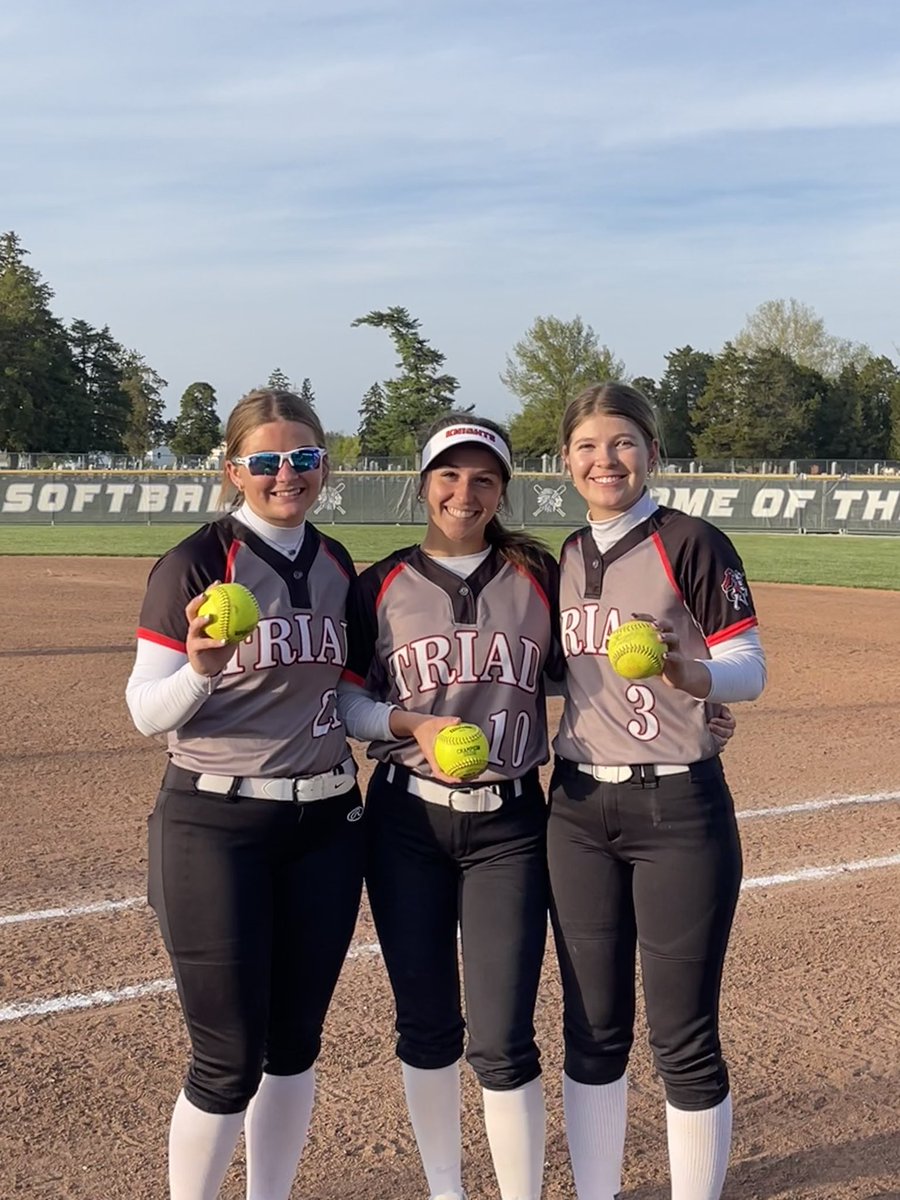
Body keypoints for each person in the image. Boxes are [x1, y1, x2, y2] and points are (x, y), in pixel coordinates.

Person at [125, 389, 365, 1200]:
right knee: (227, 1057)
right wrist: (199, 669)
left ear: (323, 465)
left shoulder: (337, 565)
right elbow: (144, 712)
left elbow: (356, 695)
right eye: (265, 463)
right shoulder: (197, 562)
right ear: (234, 472)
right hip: (214, 823)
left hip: (327, 823)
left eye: (301, 459)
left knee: (296, 1042)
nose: (285, 476)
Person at [547, 382, 767, 1200]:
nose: (607, 460)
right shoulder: (563, 557)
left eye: (625, 442)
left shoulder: (693, 542)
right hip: (574, 812)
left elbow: (750, 667)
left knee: (683, 1036)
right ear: (566, 461)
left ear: (652, 453)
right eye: (589, 447)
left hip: (677, 810)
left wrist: (690, 674)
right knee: (593, 1031)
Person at [339, 414, 563, 1200]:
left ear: (502, 490)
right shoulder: (379, 585)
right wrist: (410, 723)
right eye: (448, 474)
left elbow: (592, 675)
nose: (463, 492)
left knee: (504, 1037)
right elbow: (348, 705)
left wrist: (688, 707)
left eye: (483, 478)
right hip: (405, 824)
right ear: (423, 481)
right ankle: (446, 1189)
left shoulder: (539, 576)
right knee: (427, 1027)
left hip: (510, 825)